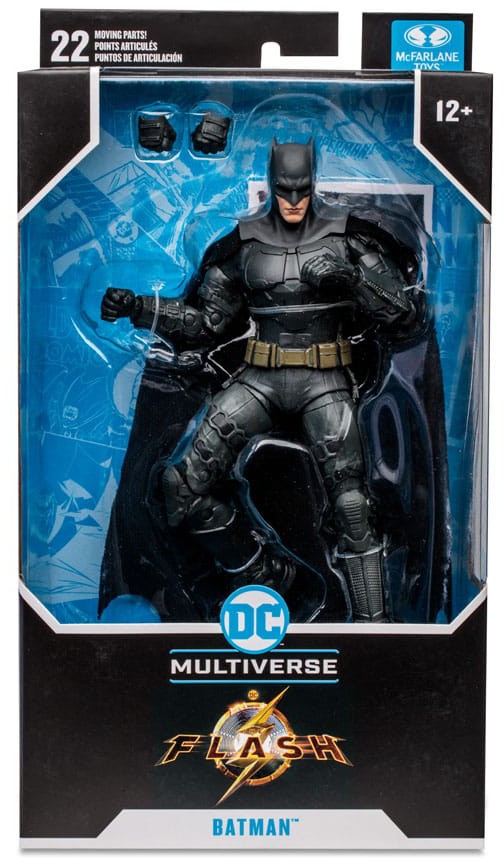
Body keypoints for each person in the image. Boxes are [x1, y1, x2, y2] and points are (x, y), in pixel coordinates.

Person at [101, 140, 419, 622]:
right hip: (260, 379)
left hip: (326, 382)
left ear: (313, 184)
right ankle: (262, 573)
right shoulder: (244, 246)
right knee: (180, 486)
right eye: (285, 190)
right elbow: (206, 324)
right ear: (272, 186)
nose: (293, 200)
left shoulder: (350, 240)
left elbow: (403, 314)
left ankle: (374, 629)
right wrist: (140, 308)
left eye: (301, 190)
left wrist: (352, 280)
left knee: (352, 507)